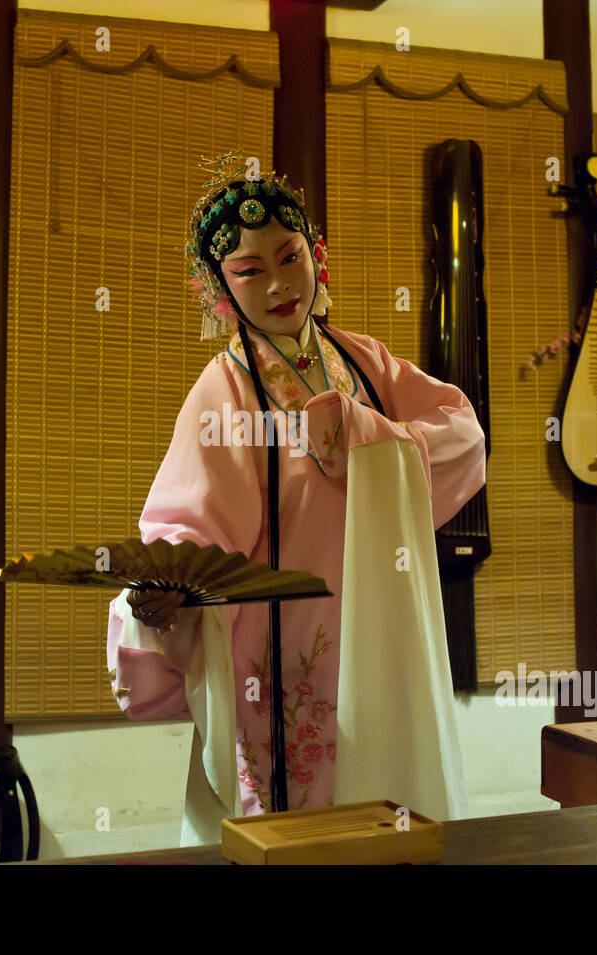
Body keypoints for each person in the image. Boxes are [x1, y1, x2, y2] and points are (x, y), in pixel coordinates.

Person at [105, 153, 487, 846]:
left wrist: (369, 435)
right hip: (278, 660)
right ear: (219, 291)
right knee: (294, 835)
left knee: (390, 825)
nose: (280, 284)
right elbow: (188, 529)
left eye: (291, 256)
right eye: (250, 271)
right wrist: (166, 591)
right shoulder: (223, 392)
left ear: (320, 256)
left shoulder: (366, 363)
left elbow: (463, 432)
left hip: (382, 630)